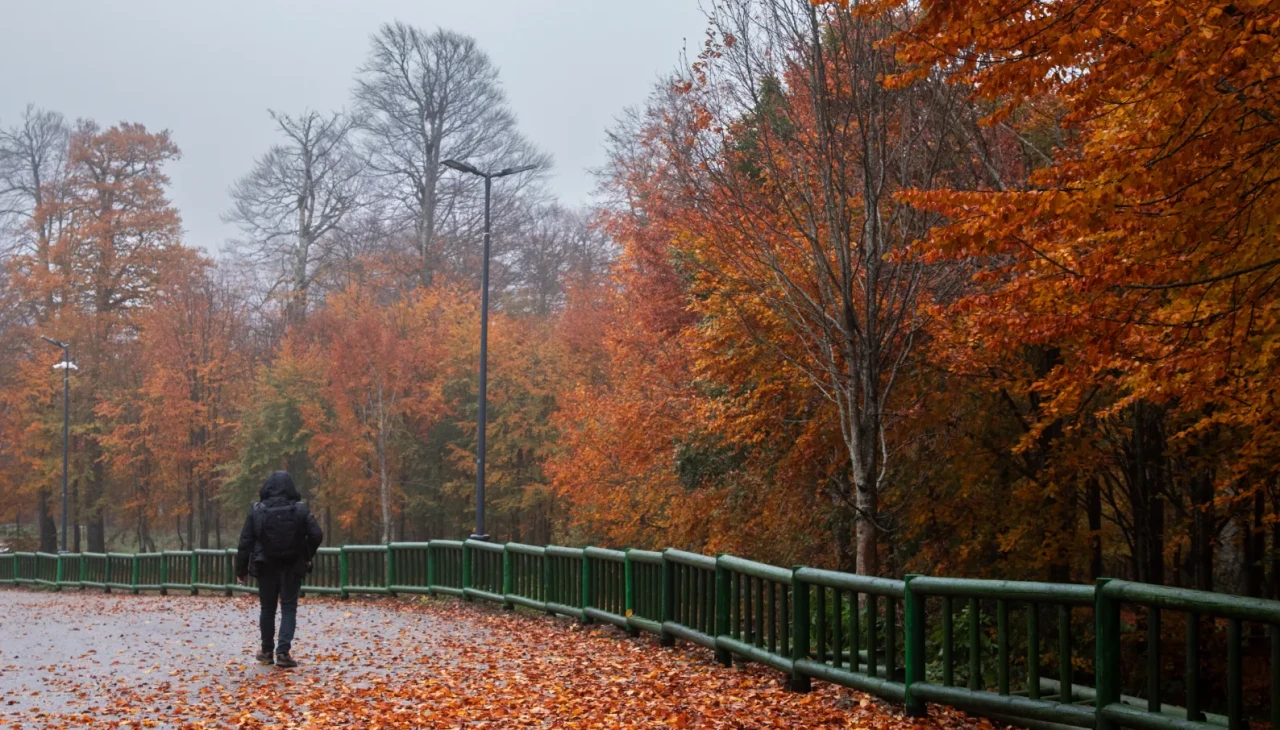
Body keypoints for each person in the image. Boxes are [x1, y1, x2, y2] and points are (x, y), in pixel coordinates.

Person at [235, 470, 323, 668]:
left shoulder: (257, 510)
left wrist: (241, 570)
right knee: (288, 607)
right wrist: (306, 554)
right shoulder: (300, 509)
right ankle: (283, 653)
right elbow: (316, 534)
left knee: (267, 608)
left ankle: (266, 651)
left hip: (265, 564)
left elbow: (245, 541)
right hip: (292, 565)